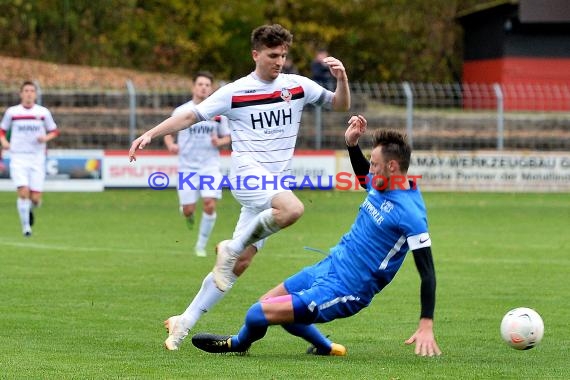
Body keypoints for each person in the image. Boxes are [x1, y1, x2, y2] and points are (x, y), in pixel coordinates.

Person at [128, 23, 350, 350]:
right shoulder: (236, 91)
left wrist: (342, 79)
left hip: (272, 187)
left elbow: (340, 105)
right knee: (292, 209)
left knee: (239, 264)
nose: (279, 61)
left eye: (284, 55)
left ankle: (183, 322)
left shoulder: (298, 86)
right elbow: (191, 117)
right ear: (256, 54)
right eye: (273, 55)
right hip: (248, 176)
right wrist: (151, 133)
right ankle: (229, 247)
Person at [190, 115, 442, 357]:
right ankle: (326, 347)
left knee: (257, 314)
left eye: (374, 164)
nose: (371, 169)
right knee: (270, 303)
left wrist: (426, 323)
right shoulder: (381, 182)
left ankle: (237, 344)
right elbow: (364, 176)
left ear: (392, 166)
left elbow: (428, 272)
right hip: (329, 265)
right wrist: (351, 144)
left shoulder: (410, 213)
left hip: (348, 288)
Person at [163, 71, 231, 257]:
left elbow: (228, 136)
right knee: (188, 210)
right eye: (200, 84)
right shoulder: (182, 111)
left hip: (210, 166)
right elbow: (168, 131)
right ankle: (188, 213)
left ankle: (200, 246)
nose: (203, 87)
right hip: (187, 168)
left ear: (211, 88)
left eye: (207, 85)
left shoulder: (218, 113)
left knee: (209, 203)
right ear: (194, 87)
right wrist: (171, 145)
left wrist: (220, 142)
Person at [0, 81, 59, 237]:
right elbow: (2, 130)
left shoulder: (43, 112)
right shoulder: (12, 112)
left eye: (32, 91)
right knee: (23, 192)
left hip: (37, 158)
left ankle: (29, 211)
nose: (29, 93)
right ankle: (26, 228)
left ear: (35, 94)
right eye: (26, 90)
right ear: (21, 94)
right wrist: (4, 141)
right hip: (18, 156)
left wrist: (44, 138)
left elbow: (54, 131)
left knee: (36, 198)